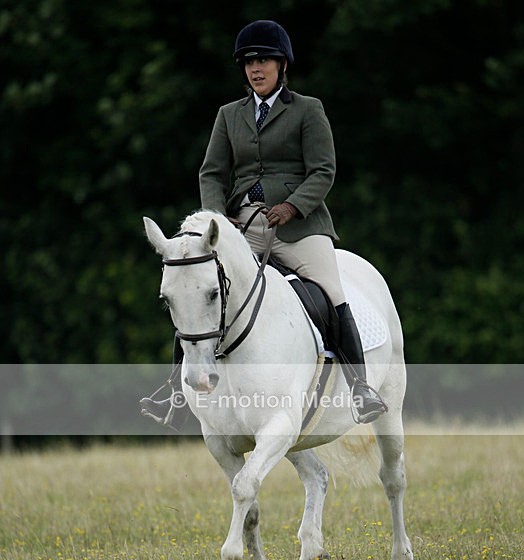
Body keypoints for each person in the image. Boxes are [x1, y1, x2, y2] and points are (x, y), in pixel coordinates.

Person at [141, 20, 386, 426]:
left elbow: (323, 171)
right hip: (241, 229)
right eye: (250, 62)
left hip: (299, 227)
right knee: (199, 288)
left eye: (264, 60)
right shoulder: (228, 115)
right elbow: (212, 174)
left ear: (282, 64)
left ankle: (360, 388)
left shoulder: (308, 110)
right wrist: (219, 221)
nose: (256, 69)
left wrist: (292, 207)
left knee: (332, 292)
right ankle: (173, 392)